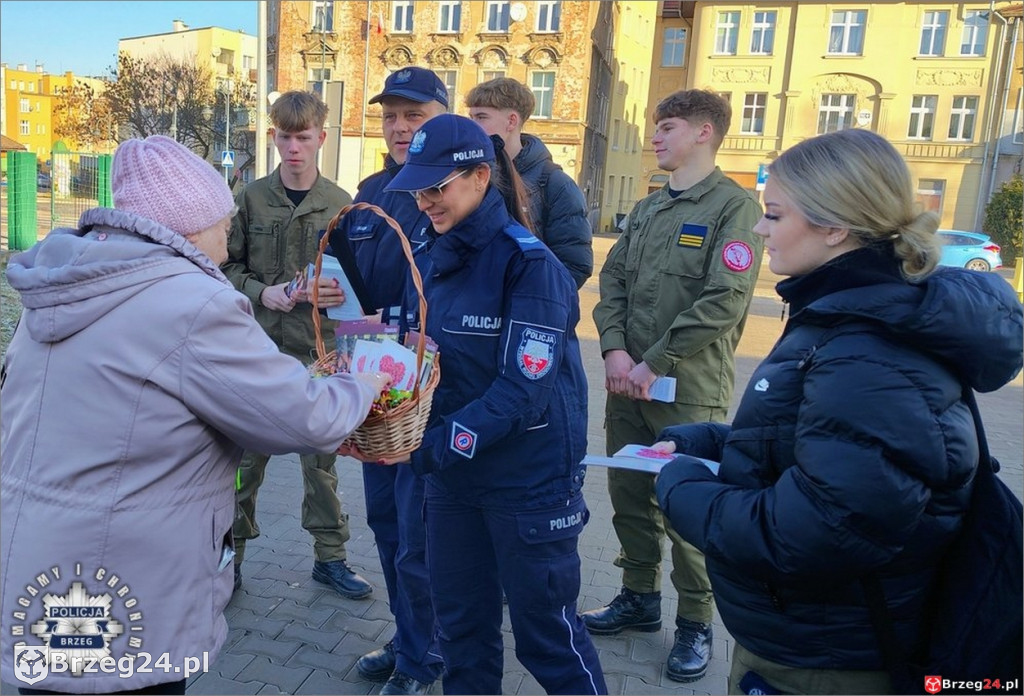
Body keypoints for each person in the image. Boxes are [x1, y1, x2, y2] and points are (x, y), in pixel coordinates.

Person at [0, 135, 390, 695]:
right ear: (189, 225)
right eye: (223, 225)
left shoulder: (64, 284)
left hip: (42, 566)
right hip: (127, 579)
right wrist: (363, 382)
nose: (227, 244)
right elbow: (303, 418)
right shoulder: (190, 302)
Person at [654, 128, 1023, 695]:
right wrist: (718, 443)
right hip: (817, 638)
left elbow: (819, 531)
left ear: (834, 227)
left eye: (774, 215)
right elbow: (837, 450)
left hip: (827, 660)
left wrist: (679, 487)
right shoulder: (852, 317)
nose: (759, 230)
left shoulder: (867, 350)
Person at [345, 113, 607, 695]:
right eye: (417, 190)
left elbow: (523, 392)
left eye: (436, 188)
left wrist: (430, 447)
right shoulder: (429, 254)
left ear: (480, 177)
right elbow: (418, 350)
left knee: (547, 639)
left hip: (527, 483)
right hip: (453, 482)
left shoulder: (530, 266)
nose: (424, 202)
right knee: (462, 632)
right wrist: (366, 387)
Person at [586, 88, 764, 683]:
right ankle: (638, 597)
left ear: (704, 132)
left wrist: (655, 361)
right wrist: (615, 349)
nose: (655, 137)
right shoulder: (647, 208)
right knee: (629, 494)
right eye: (656, 127)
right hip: (627, 383)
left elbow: (724, 300)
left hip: (687, 390)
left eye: (668, 126)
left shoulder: (735, 209)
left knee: (687, 507)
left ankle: (695, 622)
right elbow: (612, 281)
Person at [328, 66, 448, 695]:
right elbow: (347, 285)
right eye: (391, 116)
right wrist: (326, 292)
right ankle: (409, 637)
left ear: (442, 117)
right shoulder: (369, 193)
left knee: (421, 538)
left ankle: (426, 656)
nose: (400, 127)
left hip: (433, 400)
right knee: (386, 524)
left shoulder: (456, 192)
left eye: (414, 115)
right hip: (380, 396)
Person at [223, 90, 372, 599]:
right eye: (285, 137)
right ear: (273, 137)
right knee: (242, 464)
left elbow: (360, 284)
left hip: (318, 352)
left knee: (322, 464)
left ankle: (330, 558)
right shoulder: (249, 198)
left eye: (303, 138)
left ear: (321, 139)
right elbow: (222, 266)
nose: (293, 148)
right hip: (259, 350)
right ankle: (229, 560)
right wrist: (261, 291)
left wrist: (337, 296)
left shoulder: (342, 204)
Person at [465, 76, 593, 289]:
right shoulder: (468, 175)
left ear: (511, 121)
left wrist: (528, 299)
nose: (472, 126)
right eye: (470, 117)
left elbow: (574, 266)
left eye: (481, 117)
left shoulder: (556, 185)